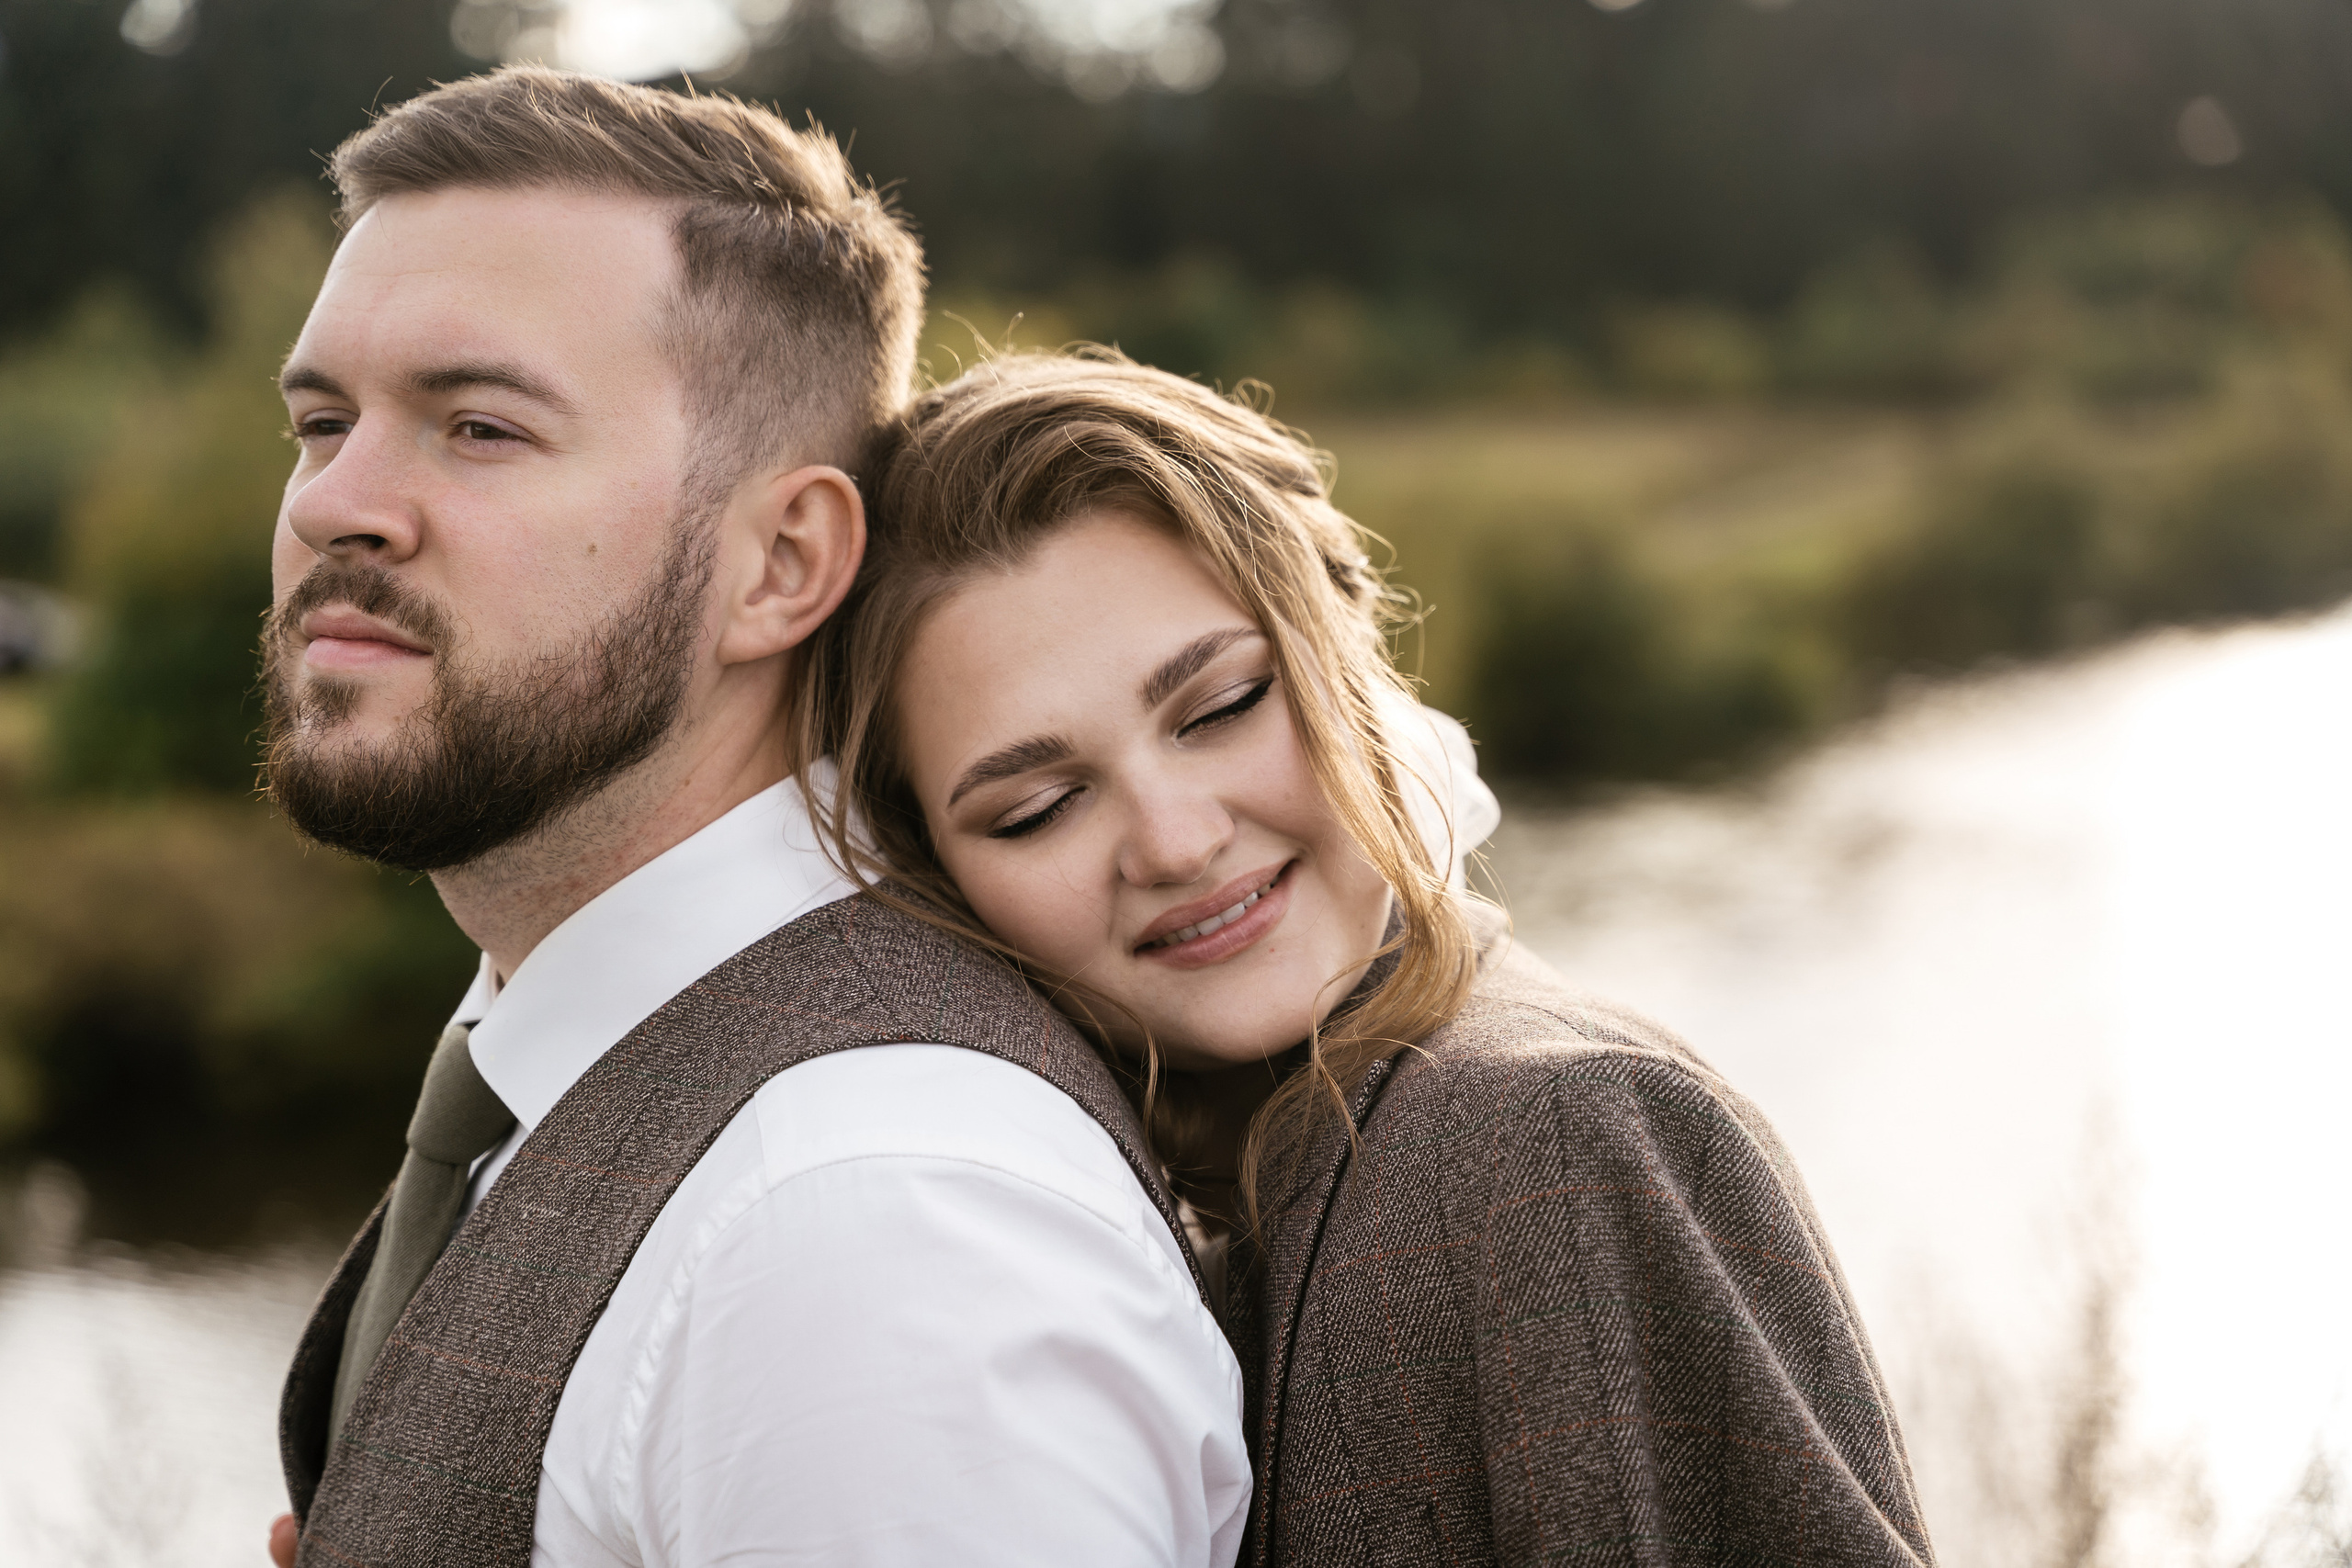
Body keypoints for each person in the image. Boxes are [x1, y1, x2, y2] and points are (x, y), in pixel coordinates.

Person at [255, 68, 1366, 1568]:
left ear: (782, 560)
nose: (338, 504)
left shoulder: (871, 1229)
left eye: (481, 428)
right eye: (323, 422)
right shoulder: (586, 1055)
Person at [807, 351, 1939, 1566]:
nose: (1177, 843)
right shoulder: (1136, 1207)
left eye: (1225, 705)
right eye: (1037, 808)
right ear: (932, 873)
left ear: (1351, 656)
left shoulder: (1563, 1139)